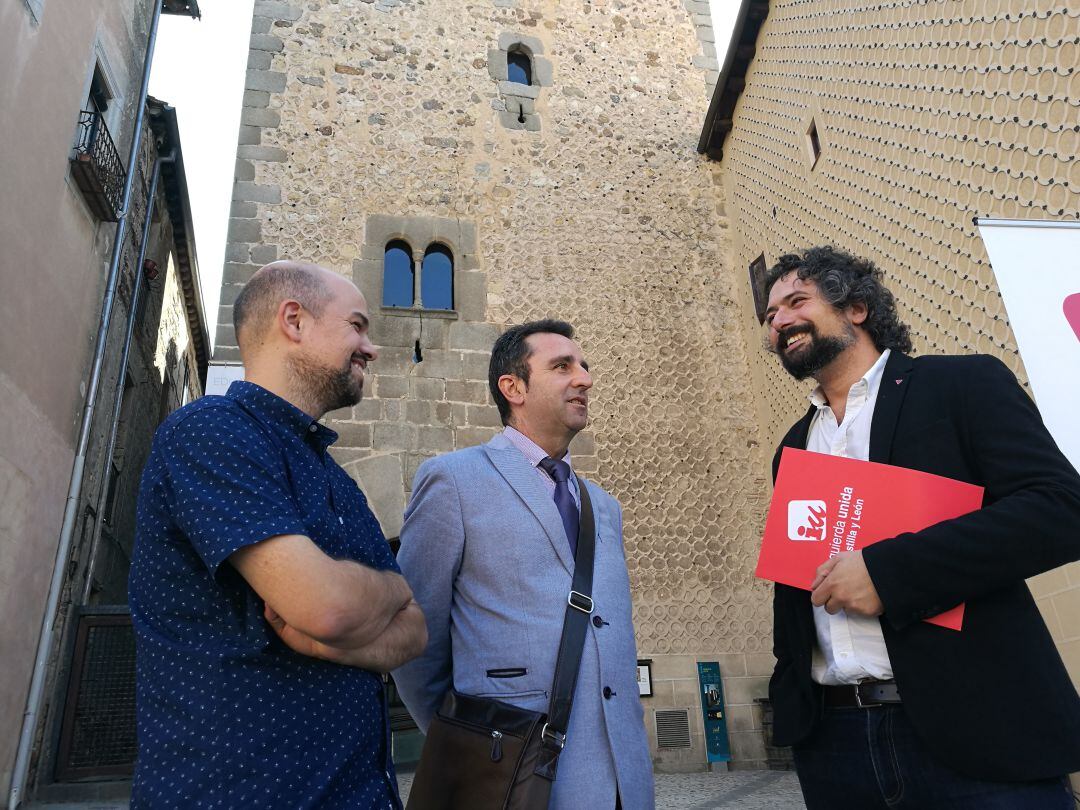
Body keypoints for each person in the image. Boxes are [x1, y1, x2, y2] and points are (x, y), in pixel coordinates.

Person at [762, 246, 1080, 809]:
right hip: (835, 747)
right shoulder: (791, 449)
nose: (778, 320)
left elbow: (1060, 508)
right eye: (769, 315)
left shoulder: (961, 385)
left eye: (795, 301)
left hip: (977, 735)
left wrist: (889, 573)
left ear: (856, 307)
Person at [129, 261, 426, 808]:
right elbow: (329, 608)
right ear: (294, 320)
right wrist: (383, 594)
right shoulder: (211, 431)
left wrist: (349, 633)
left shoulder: (338, 481)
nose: (371, 348)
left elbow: (413, 633)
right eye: (357, 325)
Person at [392, 320, 654, 809]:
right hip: (511, 777)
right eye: (562, 366)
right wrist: (468, 739)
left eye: (585, 366)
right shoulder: (453, 481)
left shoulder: (605, 507)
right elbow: (414, 637)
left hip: (624, 779)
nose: (585, 379)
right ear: (513, 388)